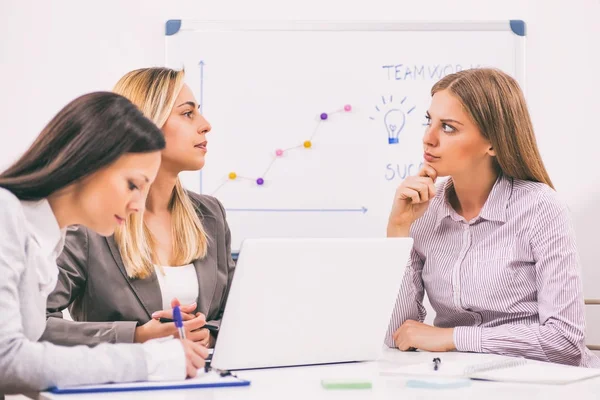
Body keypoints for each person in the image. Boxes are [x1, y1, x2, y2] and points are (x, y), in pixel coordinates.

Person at [385, 68, 599, 367]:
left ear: (493, 143)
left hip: (544, 384)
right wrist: (398, 231)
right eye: (428, 121)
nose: (428, 138)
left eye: (448, 127)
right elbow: (398, 334)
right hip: (461, 380)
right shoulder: (423, 208)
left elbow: (564, 343)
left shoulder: (540, 208)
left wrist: (452, 337)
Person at [0, 92, 207, 395]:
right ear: (86, 163)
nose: (138, 205)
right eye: (132, 185)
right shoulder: (5, 214)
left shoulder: (47, 240)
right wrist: (147, 360)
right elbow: (7, 360)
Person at [43, 67, 235, 349]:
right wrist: (135, 336)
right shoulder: (89, 220)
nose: (206, 124)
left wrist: (208, 334)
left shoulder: (210, 214)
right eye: (187, 113)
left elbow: (234, 314)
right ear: (146, 125)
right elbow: (36, 323)